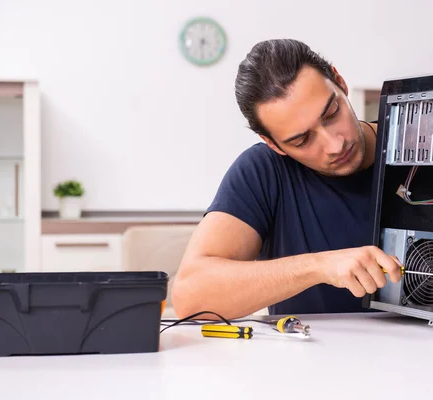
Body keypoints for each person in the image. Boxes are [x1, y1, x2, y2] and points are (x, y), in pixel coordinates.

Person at [171, 38, 403, 320]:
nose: (334, 145)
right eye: (302, 140)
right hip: (314, 361)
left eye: (331, 114)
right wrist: (320, 266)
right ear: (274, 144)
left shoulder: (419, 153)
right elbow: (190, 297)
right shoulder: (263, 172)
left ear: (340, 83)